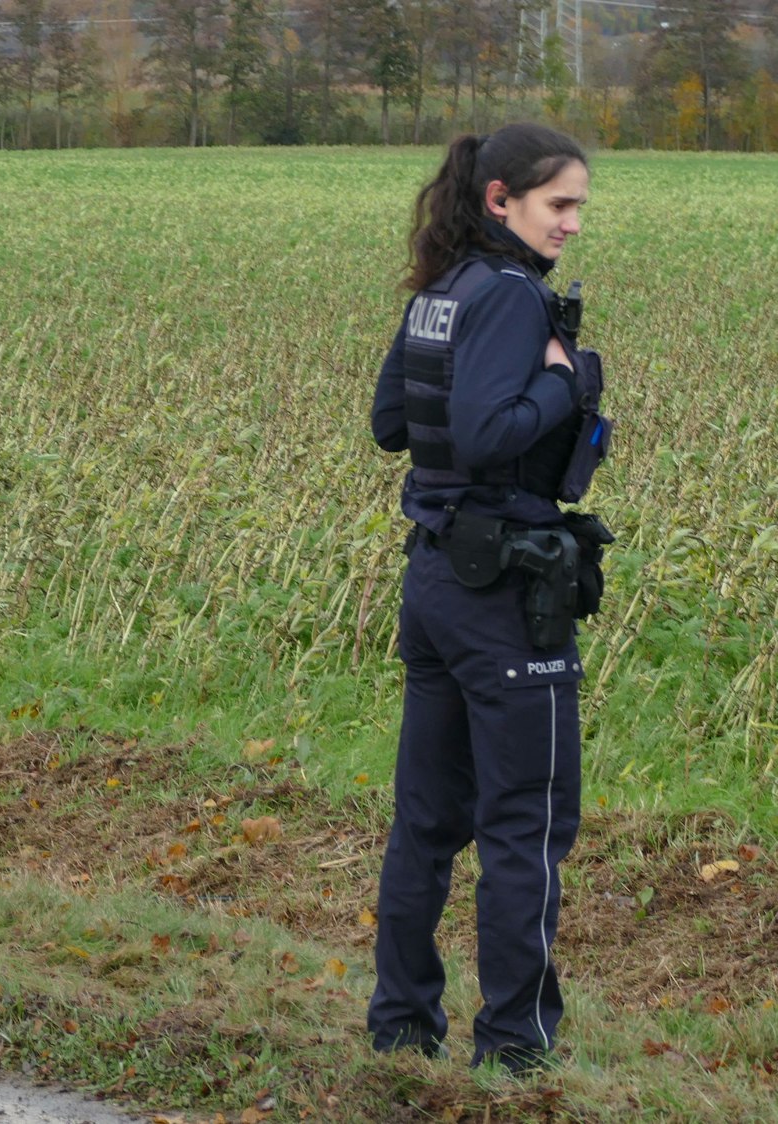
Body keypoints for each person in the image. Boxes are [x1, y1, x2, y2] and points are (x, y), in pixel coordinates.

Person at [366, 123, 615, 1074]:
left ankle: (399, 1026)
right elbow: (480, 432)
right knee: (525, 823)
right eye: (560, 205)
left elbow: (393, 424)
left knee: (426, 819)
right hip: (504, 593)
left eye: (580, 207)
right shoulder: (511, 297)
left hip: (430, 579)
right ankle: (514, 1047)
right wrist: (565, 384)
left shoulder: (440, 288)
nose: (573, 224)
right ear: (500, 198)